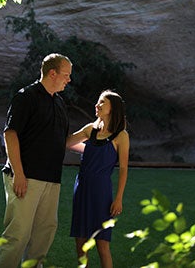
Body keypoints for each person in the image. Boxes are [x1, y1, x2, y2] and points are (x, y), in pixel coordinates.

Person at [0, 53, 72, 268]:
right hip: (26, 177)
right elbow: (10, 134)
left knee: (43, 236)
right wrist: (19, 173)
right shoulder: (26, 96)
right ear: (52, 73)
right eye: (66, 75)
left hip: (52, 179)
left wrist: (95, 136)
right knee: (17, 236)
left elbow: (63, 140)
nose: (69, 80)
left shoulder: (60, 103)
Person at [67, 89, 130, 268]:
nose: (97, 105)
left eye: (102, 102)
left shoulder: (121, 136)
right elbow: (67, 143)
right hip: (82, 188)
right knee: (80, 244)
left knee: (102, 245)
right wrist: (87, 150)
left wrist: (118, 199)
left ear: (113, 108)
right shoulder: (90, 130)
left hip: (102, 192)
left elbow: (124, 169)